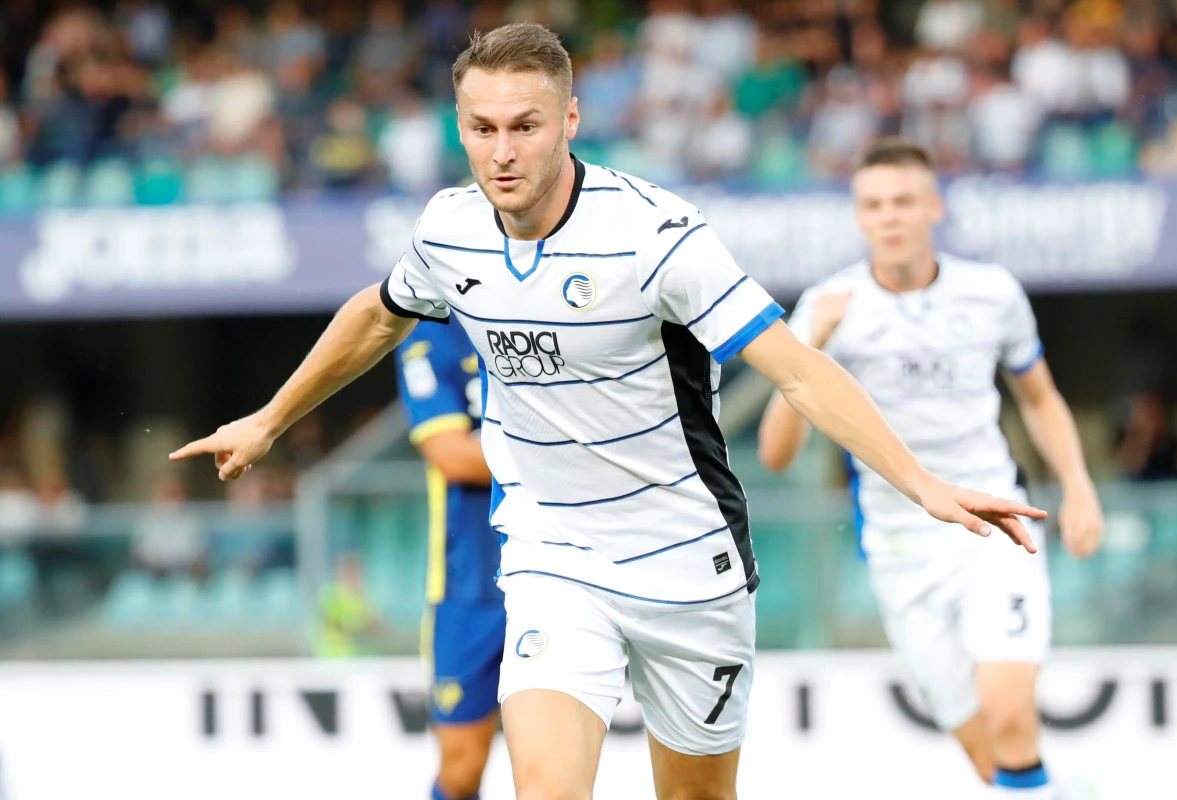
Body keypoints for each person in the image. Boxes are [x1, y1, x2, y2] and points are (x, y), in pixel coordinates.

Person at [170, 25, 1044, 800]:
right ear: (459, 126)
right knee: (546, 788)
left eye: (526, 125)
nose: (502, 151)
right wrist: (272, 418)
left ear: (571, 120)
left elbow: (799, 371)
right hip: (554, 555)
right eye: (481, 128)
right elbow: (379, 311)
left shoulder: (657, 236)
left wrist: (923, 483)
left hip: (687, 564)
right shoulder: (450, 229)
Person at [758, 137, 1103, 799]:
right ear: (858, 216)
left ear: (933, 207)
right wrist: (811, 345)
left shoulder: (991, 291)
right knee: (988, 760)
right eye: (874, 205)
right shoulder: (828, 306)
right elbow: (776, 454)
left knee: (1008, 715)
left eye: (903, 202)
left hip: (995, 525)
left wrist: (1079, 486)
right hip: (898, 547)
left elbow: (1040, 397)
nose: (889, 217)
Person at [396, 317, 503, 800]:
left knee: (551, 769)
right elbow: (453, 456)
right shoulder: (428, 336)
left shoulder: (547, 311)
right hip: (469, 586)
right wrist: (560, 452)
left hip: (559, 577)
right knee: (461, 771)